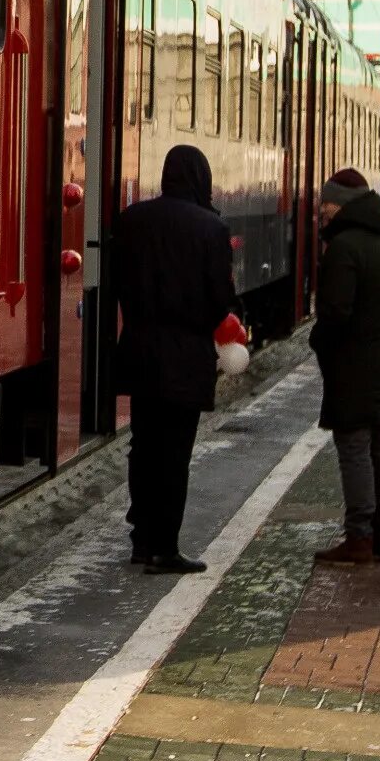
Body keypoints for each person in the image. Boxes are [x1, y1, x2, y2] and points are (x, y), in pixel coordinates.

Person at [107, 144, 241, 574]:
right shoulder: (211, 229)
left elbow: (115, 283)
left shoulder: (132, 221)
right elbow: (221, 300)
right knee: (174, 453)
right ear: (201, 178)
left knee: (143, 447)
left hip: (141, 349)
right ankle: (165, 546)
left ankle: (142, 539)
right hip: (186, 355)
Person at [306, 168, 380, 568]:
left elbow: (335, 313)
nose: (322, 210)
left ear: (341, 204)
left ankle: (360, 538)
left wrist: (319, 341)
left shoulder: (345, 247)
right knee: (374, 445)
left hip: (353, 363)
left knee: (353, 449)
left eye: (326, 203)